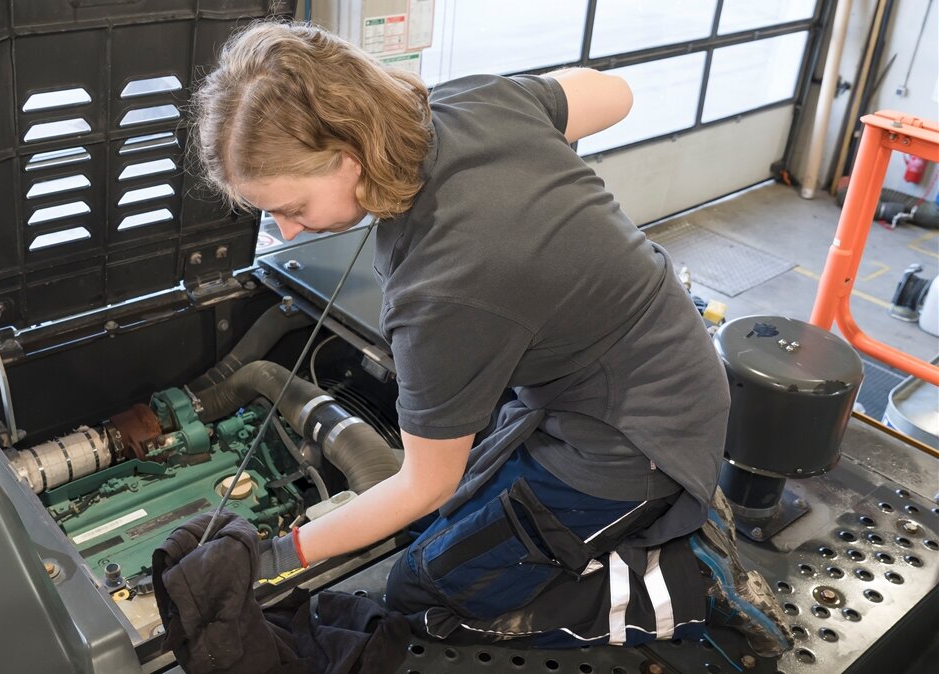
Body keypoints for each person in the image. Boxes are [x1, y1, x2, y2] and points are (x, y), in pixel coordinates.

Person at [191, 21, 791, 656]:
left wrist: (276, 557)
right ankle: (635, 526)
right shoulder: (471, 101)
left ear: (347, 157)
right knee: (448, 526)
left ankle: (684, 582)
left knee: (423, 598)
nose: (284, 232)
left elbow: (426, 483)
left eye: (292, 207)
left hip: (631, 440)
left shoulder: (439, 286)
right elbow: (613, 94)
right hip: (639, 364)